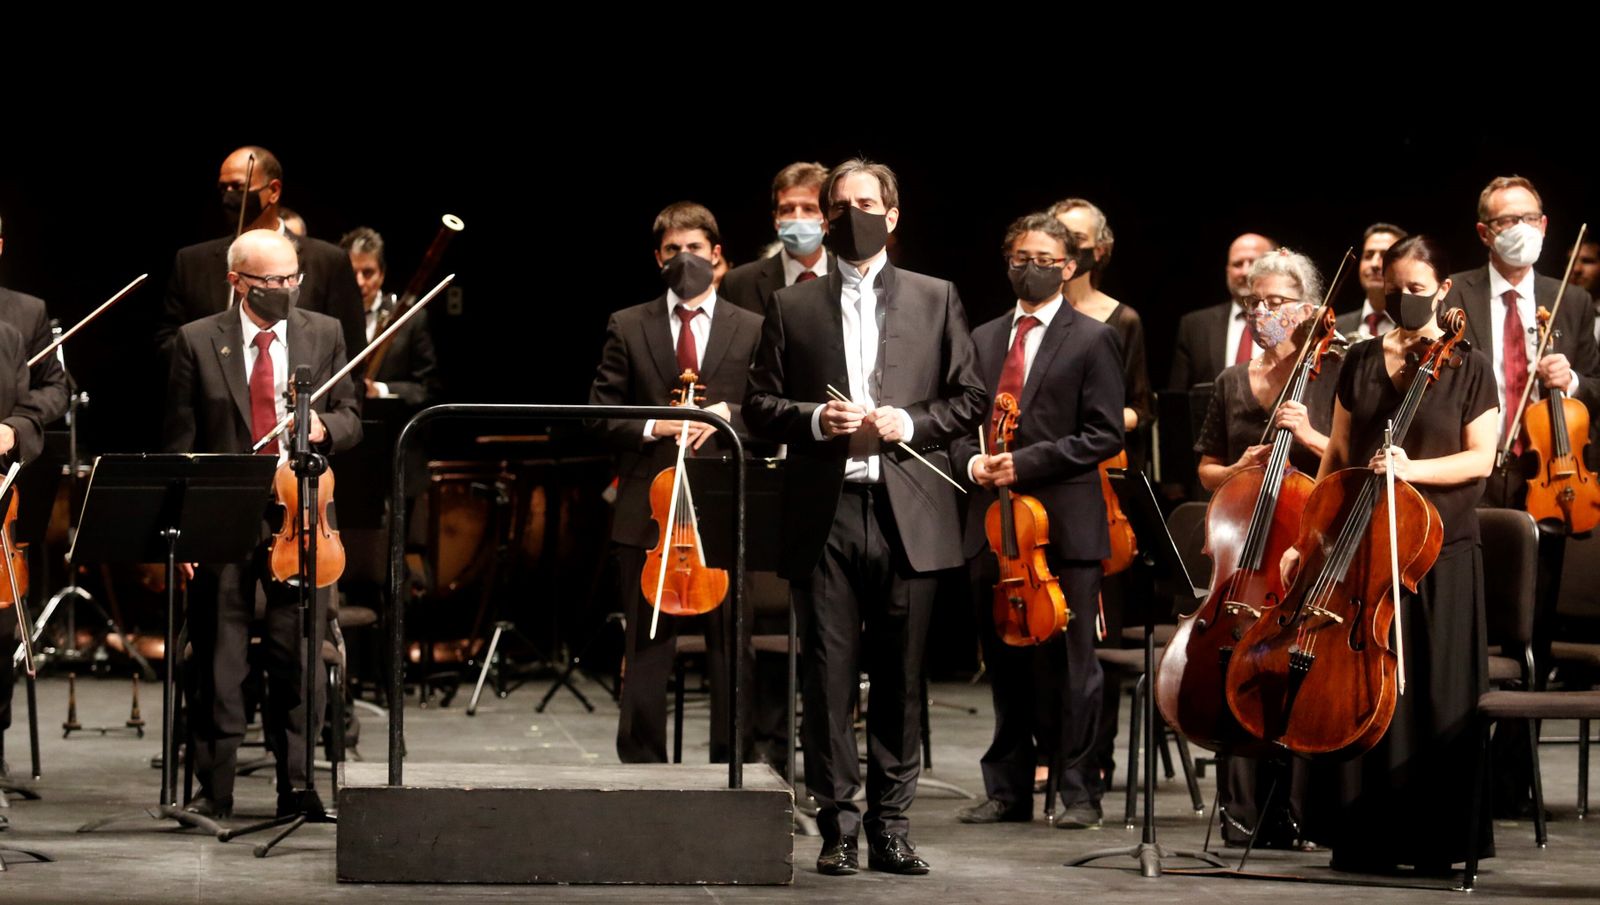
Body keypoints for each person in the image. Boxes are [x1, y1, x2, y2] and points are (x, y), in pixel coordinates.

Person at [744, 159, 985, 876]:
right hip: (829, 511)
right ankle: (837, 824)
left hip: (907, 505)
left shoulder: (937, 297)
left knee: (901, 676)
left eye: (867, 202)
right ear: (824, 216)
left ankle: (892, 824)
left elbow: (968, 397)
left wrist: (909, 420)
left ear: (894, 212)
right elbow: (759, 405)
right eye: (841, 205)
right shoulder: (794, 306)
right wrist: (818, 417)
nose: (855, 213)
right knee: (827, 676)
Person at [1288, 234, 1498, 872]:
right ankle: (1364, 833)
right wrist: (1307, 539)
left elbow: (1480, 459)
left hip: (1438, 552)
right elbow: (1336, 453)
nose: (1403, 298)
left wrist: (1411, 469)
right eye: (1392, 288)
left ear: (1442, 290)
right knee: (1362, 685)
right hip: (1361, 546)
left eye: (1416, 289)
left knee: (1433, 692)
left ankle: (1437, 841)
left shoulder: (1469, 365)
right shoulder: (1357, 361)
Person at [163, 229, 362, 820]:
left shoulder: (322, 332)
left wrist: (324, 426)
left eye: (292, 278)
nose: (285, 290)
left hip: (301, 516)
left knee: (297, 655)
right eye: (272, 281)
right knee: (220, 661)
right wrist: (186, 526)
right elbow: (181, 442)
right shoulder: (197, 342)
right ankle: (214, 790)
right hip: (225, 516)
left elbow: (352, 416)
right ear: (238, 282)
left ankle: (297, 787)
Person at [949, 212, 1123, 828]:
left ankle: (1080, 791)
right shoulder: (983, 336)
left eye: (1047, 259)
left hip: (1065, 525)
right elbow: (958, 421)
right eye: (1022, 256)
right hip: (994, 524)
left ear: (1070, 267)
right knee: (1004, 661)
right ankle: (1008, 789)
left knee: (1075, 664)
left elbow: (1102, 434)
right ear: (1007, 262)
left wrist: (1022, 464)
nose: (1034, 267)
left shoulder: (1093, 337)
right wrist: (973, 463)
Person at [588, 202, 764, 765]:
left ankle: (733, 766)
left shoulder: (753, 327)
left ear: (716, 256)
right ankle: (641, 769)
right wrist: (651, 423)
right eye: (671, 251)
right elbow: (597, 415)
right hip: (649, 504)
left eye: (694, 249)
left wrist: (727, 416)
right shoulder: (628, 323)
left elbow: (768, 412)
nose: (683, 259)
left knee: (731, 647)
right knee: (646, 643)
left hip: (723, 500)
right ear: (657, 259)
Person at [1194, 249, 1340, 846]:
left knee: (1304, 668)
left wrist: (1309, 435)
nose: (1263, 313)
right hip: (1246, 557)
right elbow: (1205, 470)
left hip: (1310, 550)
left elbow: (1352, 460)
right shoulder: (1233, 381)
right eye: (1254, 303)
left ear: (1307, 308)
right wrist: (1239, 465)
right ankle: (1240, 811)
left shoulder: (1332, 372)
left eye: (1277, 303)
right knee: (1237, 662)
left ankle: (1304, 807)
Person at [158, 146, 365, 360]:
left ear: (274, 190)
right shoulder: (192, 262)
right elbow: (168, 342)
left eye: (238, 187)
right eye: (223, 188)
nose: (229, 196)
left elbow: (352, 351)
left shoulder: (328, 262)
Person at [719, 162, 832, 316]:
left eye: (809, 208)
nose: (797, 218)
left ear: (827, 218)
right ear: (776, 220)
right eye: (787, 210)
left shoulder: (850, 276)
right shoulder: (737, 283)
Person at [1169, 233, 1277, 390]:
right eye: (1237, 264)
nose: (1245, 272)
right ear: (1227, 271)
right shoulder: (1194, 326)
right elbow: (1177, 400)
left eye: (1254, 263)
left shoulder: (1290, 319)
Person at [1335, 223, 1407, 341]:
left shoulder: (1416, 328)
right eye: (1368, 256)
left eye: (1385, 256)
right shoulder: (1335, 327)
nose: (1374, 264)